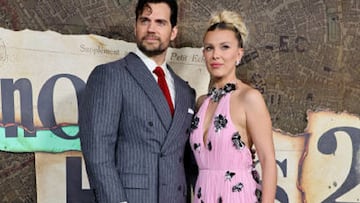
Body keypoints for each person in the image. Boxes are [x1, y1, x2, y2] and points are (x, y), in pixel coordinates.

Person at [79, 0, 196, 202]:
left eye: (160, 22)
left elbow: (184, 162)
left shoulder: (186, 91)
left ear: (173, 32)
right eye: (144, 21)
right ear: (135, 27)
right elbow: (97, 152)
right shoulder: (110, 75)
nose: (151, 29)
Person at [189, 10, 277, 202]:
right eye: (209, 48)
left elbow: (268, 162)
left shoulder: (249, 98)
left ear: (239, 54)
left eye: (225, 47)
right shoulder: (201, 103)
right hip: (203, 195)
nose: (216, 55)